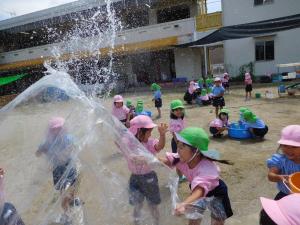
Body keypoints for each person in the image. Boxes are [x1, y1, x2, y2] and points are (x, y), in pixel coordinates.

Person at [159, 127, 233, 225]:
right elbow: (166, 161)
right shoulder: (182, 158)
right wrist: (147, 159)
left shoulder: (207, 169)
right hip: (197, 191)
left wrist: (184, 204)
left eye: (182, 147)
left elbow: (200, 190)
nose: (178, 150)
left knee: (217, 221)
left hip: (216, 193)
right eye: (178, 145)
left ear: (196, 151)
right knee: (193, 220)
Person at [116, 115, 168, 225]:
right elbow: (118, 143)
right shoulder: (129, 143)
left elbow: (159, 146)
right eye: (149, 132)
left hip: (149, 177)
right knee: (137, 205)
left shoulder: (149, 142)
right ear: (139, 131)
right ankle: (137, 222)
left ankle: (156, 222)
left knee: (152, 205)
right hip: (134, 178)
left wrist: (162, 135)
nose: (150, 134)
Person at [36, 117, 80, 224]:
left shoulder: (68, 138)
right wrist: (42, 150)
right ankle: (66, 214)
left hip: (69, 166)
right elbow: (38, 153)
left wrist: (72, 149)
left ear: (64, 129)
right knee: (63, 193)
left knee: (73, 187)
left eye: (59, 129)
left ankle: (72, 199)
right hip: (58, 170)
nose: (57, 131)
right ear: (50, 131)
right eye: (54, 129)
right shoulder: (48, 142)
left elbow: (77, 146)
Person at [259, 125, 300, 224]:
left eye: (294, 147)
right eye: (285, 146)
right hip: (284, 196)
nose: (289, 150)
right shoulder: (280, 160)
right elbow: (270, 176)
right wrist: (280, 177)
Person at [169, 100, 186, 182]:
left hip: (182, 141)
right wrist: (178, 144)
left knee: (182, 158)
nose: (179, 111)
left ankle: (181, 174)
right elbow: (174, 134)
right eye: (176, 110)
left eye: (180, 109)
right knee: (178, 160)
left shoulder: (180, 117)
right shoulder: (174, 121)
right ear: (172, 111)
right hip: (177, 142)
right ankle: (180, 177)